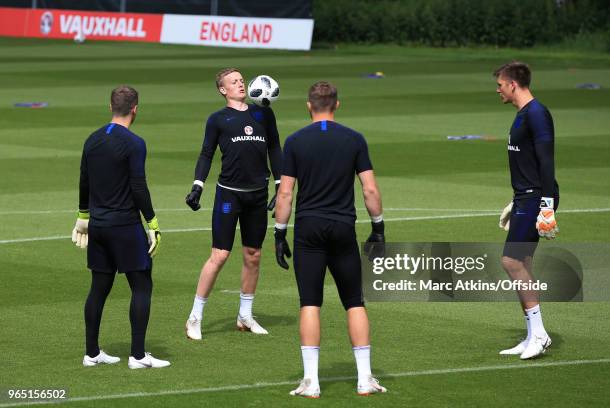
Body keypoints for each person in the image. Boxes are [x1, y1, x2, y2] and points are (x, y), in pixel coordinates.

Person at [273, 81, 387, 398]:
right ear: (337, 105)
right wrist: (378, 228)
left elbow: (285, 193)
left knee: (310, 302)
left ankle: (311, 381)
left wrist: (279, 233)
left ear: (309, 106)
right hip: (342, 228)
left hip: (308, 229)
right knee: (354, 301)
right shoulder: (354, 140)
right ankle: (364, 378)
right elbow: (370, 189)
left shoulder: (295, 142)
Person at [72, 85, 169, 369]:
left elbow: (83, 180)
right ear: (135, 108)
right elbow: (138, 185)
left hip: (98, 226)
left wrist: (82, 216)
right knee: (141, 286)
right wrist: (151, 222)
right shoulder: (135, 143)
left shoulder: (92, 140)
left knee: (98, 288)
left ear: (110, 106)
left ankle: (91, 353)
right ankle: (138, 356)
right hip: (125, 225)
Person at [184, 68, 282, 340]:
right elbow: (206, 153)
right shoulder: (218, 119)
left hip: (257, 194)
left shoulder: (263, 113)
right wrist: (197, 185)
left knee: (253, 255)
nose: (240, 84)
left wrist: (279, 184)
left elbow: (275, 148)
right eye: (234, 82)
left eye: (241, 80)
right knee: (220, 255)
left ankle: (245, 316)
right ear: (222, 90)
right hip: (229, 195)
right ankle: (195, 317)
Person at [494, 61, 559, 360]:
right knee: (524, 264)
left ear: (513, 84)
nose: (498, 90)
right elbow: (527, 163)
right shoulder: (523, 115)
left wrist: (545, 207)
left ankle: (541, 333)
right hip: (525, 197)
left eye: (500, 85)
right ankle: (532, 334)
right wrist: (516, 198)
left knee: (511, 261)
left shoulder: (537, 114)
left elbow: (546, 162)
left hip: (536, 198)